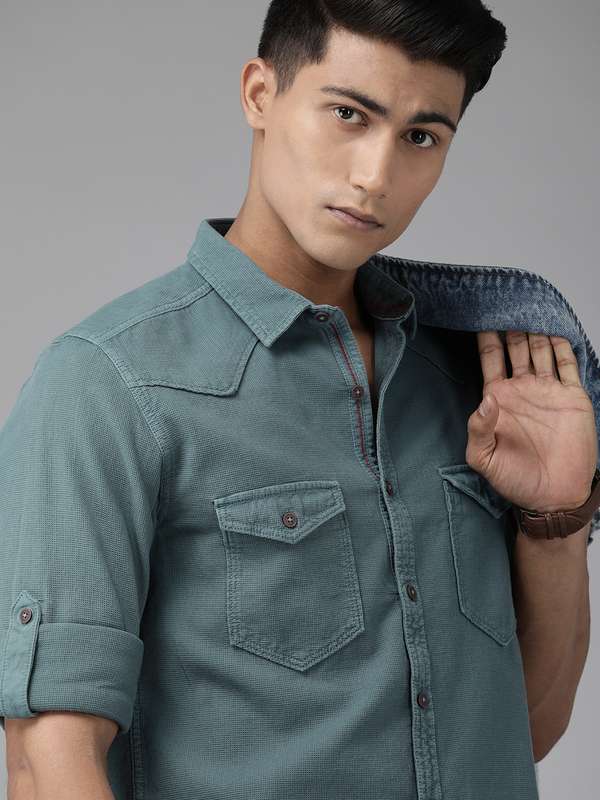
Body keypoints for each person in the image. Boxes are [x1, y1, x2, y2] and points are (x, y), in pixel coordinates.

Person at [1, 2, 596, 798]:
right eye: (349, 114)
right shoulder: (108, 384)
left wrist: (556, 523)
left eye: (422, 136)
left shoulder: (479, 385)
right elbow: (48, 764)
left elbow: (526, 728)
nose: (376, 176)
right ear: (260, 94)